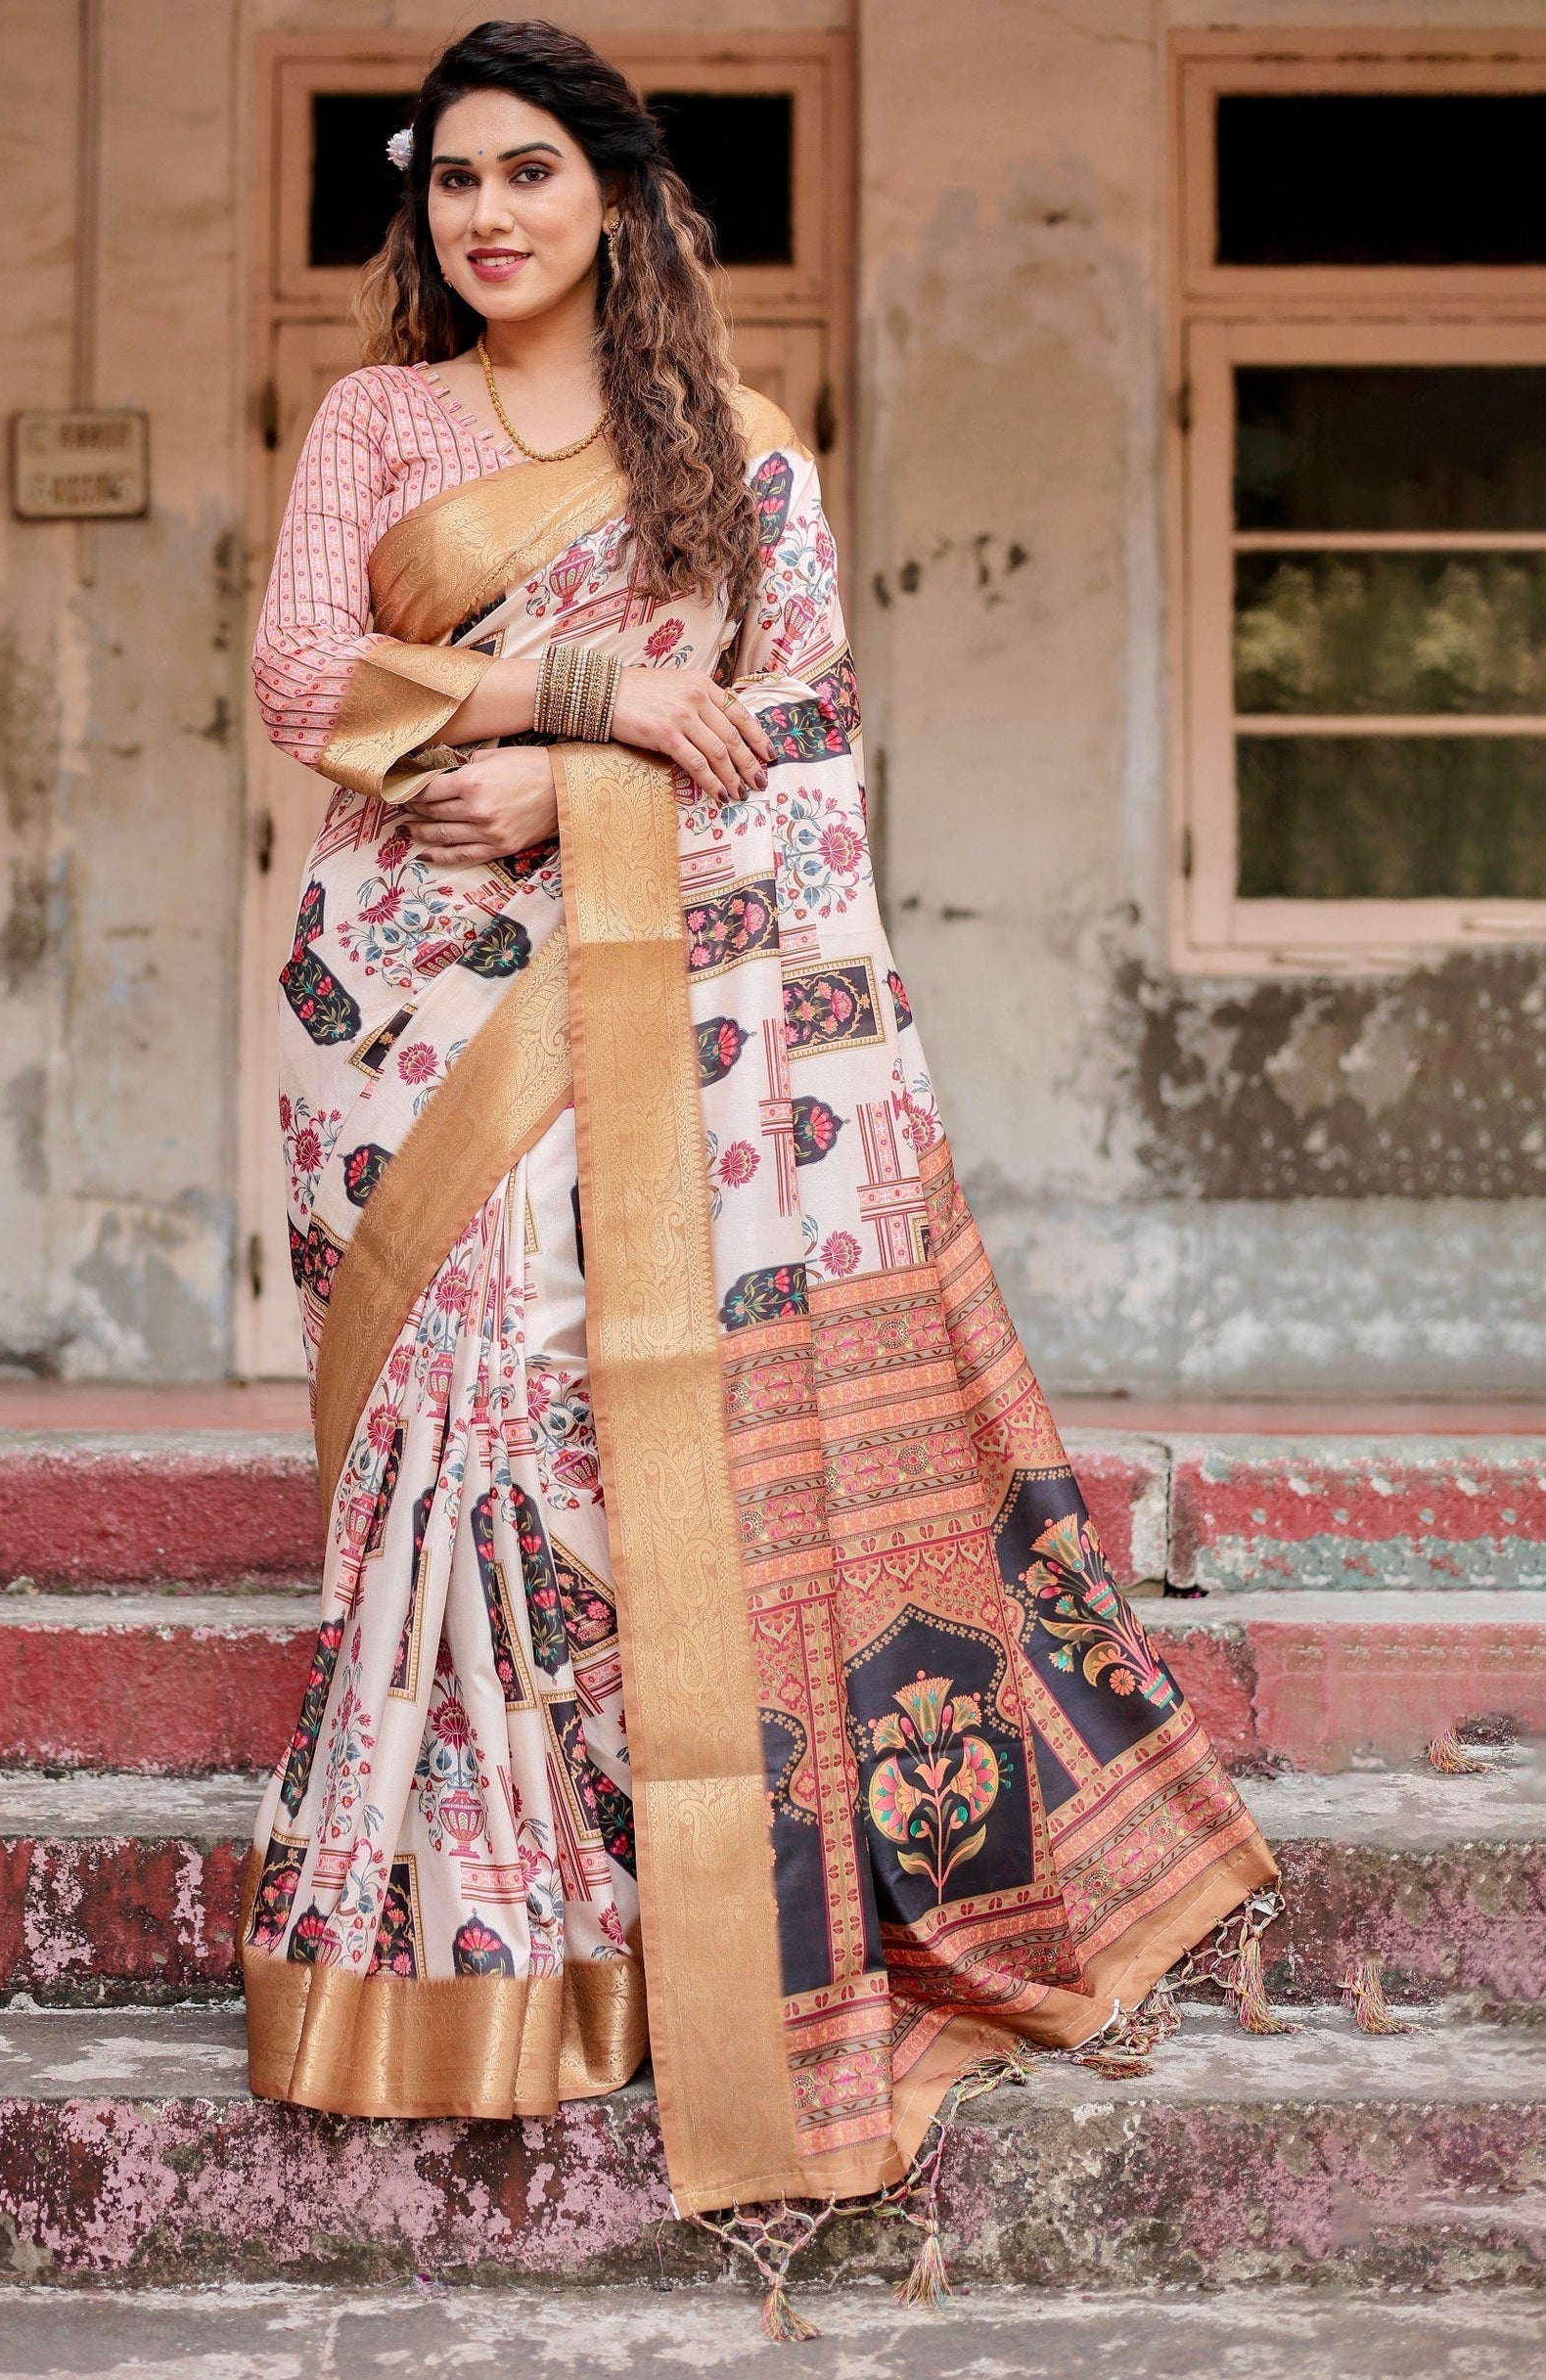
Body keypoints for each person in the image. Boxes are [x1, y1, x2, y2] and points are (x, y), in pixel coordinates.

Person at [244, 14, 1275, 2245]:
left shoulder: (733, 457)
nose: (488, 216)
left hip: (653, 1013)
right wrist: (588, 695)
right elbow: (301, 681)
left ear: (614, 192)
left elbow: (801, 765)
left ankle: (646, 1924)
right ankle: (463, 1939)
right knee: (459, 1417)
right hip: (396, 998)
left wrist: (570, 797)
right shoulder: (375, 418)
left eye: (531, 173)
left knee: (607, 1440)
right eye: (452, 182)